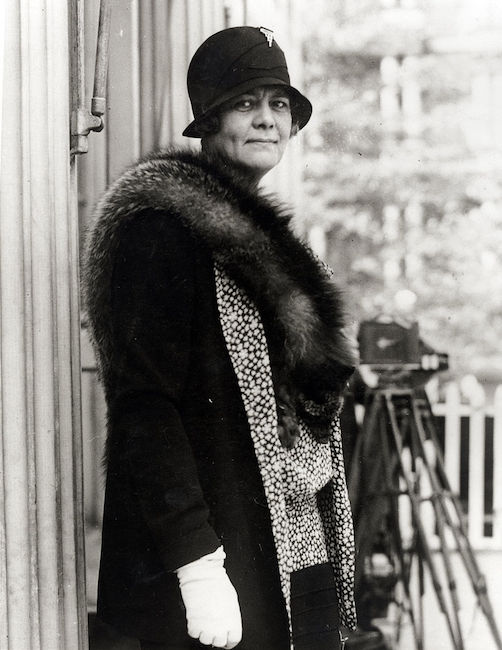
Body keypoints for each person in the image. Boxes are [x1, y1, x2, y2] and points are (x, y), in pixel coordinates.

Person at [84, 25, 357, 650]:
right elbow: (144, 408)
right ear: (208, 121)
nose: (267, 120)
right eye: (245, 103)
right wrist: (198, 566)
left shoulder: (283, 252)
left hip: (300, 539)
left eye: (279, 104)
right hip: (218, 560)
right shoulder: (161, 232)